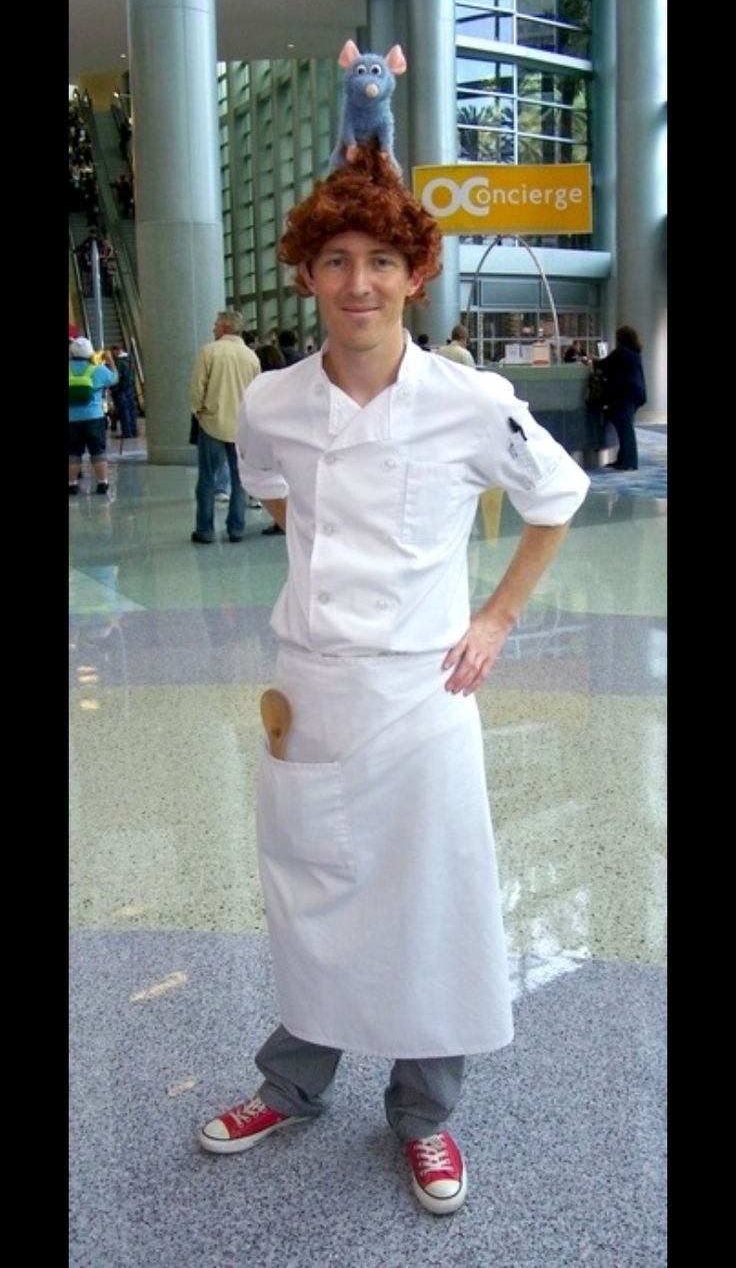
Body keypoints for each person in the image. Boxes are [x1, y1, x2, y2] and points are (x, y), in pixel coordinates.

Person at [200, 147, 589, 1215]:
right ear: (308, 275)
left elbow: (559, 493)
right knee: (312, 894)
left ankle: (423, 1117)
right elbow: (273, 491)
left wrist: (495, 616)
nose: (358, 283)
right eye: (336, 260)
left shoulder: (470, 400)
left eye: (380, 260)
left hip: (422, 696)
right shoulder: (272, 403)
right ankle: (294, 1083)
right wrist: (328, 566)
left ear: (415, 275)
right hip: (312, 687)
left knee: (428, 903)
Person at [189, 310, 261, 542]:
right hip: (242, 426)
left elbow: (197, 388)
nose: (213, 328)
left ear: (224, 327)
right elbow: (257, 392)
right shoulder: (251, 357)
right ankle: (236, 528)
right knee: (240, 479)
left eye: (215, 324)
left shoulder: (209, 352)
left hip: (212, 422)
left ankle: (205, 530)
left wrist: (199, 411)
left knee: (208, 478)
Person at [69, 337, 118, 495]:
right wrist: (110, 361)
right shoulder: (97, 369)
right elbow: (114, 379)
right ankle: (102, 483)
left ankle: (72, 483)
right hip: (94, 417)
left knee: (73, 452)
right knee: (98, 451)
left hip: (71, 419)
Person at [594, 325, 647, 470]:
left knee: (625, 429)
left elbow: (603, 364)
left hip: (625, 395)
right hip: (634, 394)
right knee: (625, 427)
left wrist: (591, 361)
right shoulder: (634, 352)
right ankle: (623, 459)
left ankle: (629, 462)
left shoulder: (621, 352)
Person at [109, 345, 138, 440]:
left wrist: (113, 388)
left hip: (121, 390)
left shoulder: (119, 362)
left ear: (117, 350)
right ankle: (134, 431)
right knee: (131, 411)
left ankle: (127, 433)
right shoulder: (129, 360)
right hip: (129, 389)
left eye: (113, 352)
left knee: (124, 412)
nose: (112, 354)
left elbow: (116, 377)